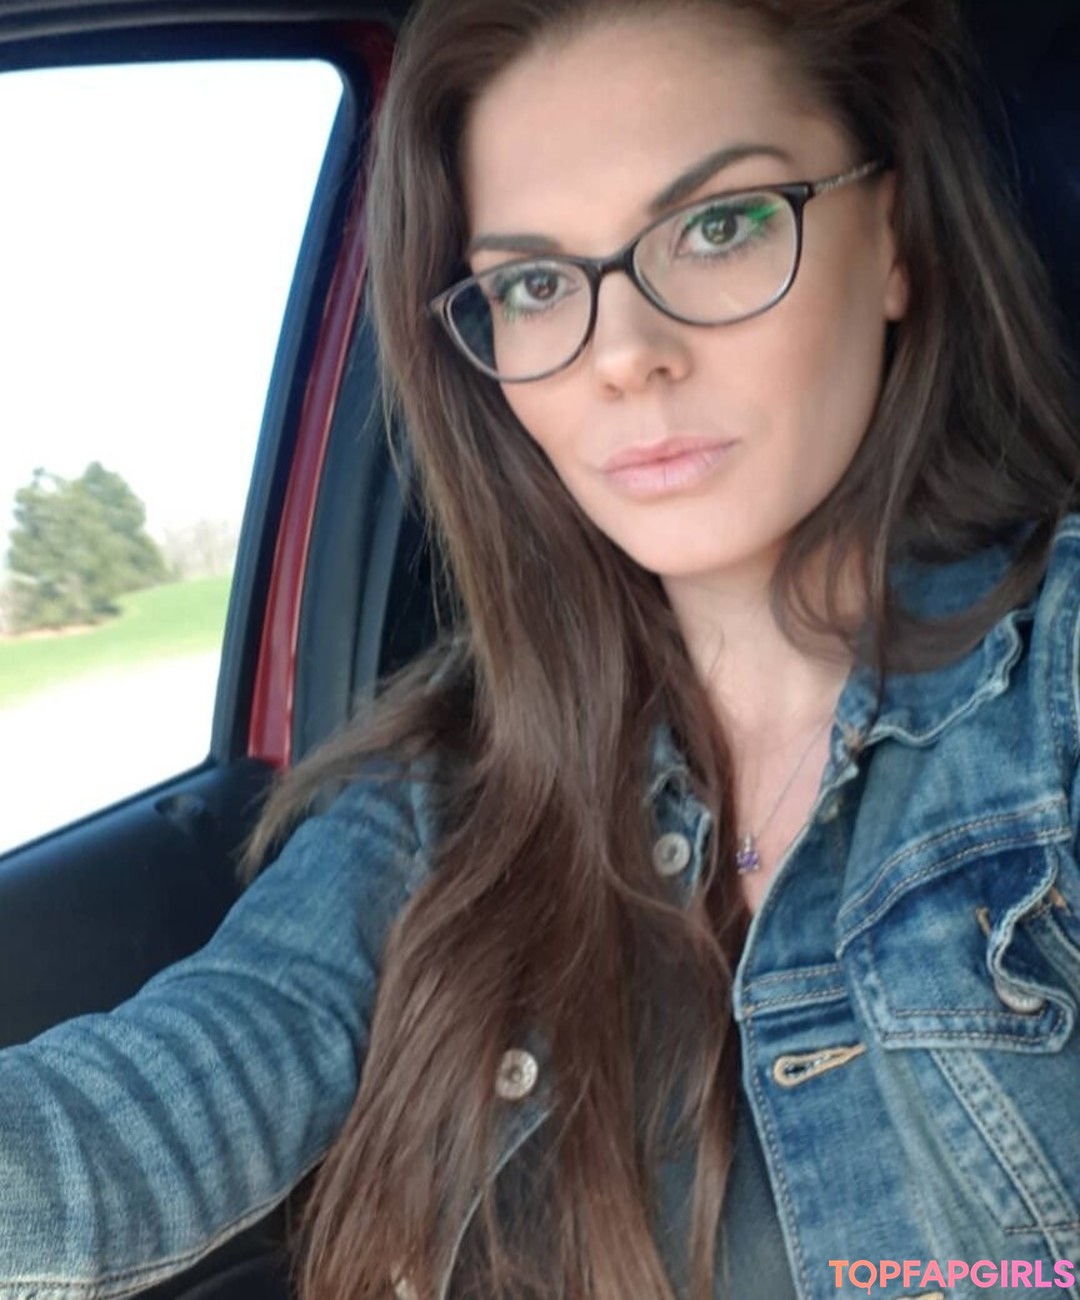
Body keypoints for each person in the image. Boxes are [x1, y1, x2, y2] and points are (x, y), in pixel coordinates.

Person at [2, 1, 1079, 1298]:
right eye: (534, 284)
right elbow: (182, 1089)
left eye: (718, 225)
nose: (625, 356)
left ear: (893, 238)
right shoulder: (451, 776)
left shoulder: (1053, 688)